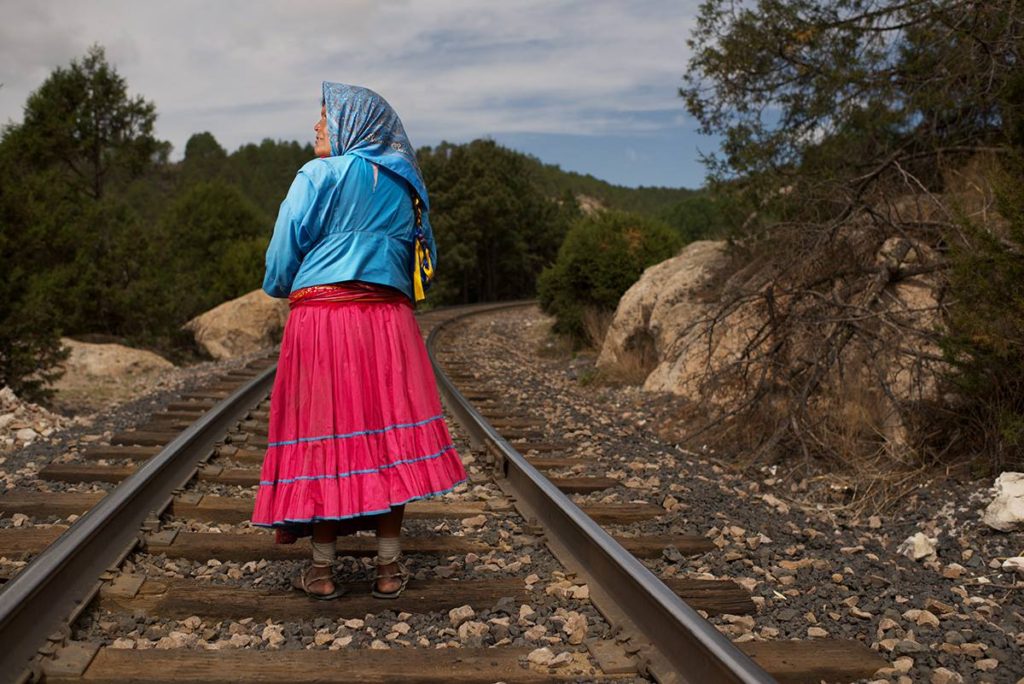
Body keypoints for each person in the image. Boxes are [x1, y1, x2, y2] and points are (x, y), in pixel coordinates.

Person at [251, 82, 468, 600]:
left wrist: (286, 285)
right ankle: (389, 569)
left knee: (326, 434)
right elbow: (425, 262)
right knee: (387, 433)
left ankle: (322, 571)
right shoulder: (406, 187)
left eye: (326, 116)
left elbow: (282, 257)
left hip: (322, 320)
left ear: (353, 123)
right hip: (388, 322)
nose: (317, 126)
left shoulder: (317, 176)